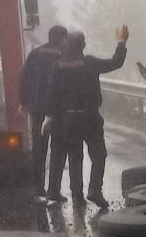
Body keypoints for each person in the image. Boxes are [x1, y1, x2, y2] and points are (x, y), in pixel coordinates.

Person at [41, 25, 129, 207]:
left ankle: (77, 195)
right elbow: (116, 62)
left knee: (75, 156)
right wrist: (121, 41)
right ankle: (95, 190)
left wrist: (49, 117)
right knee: (98, 155)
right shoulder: (90, 63)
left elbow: (52, 94)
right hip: (90, 118)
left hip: (68, 119)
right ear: (83, 45)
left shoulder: (57, 66)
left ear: (66, 46)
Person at [19, 24, 68, 198]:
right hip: (58, 111)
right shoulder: (64, 55)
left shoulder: (35, 54)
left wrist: (24, 102)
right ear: (63, 38)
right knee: (58, 148)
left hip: (37, 108)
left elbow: (23, 77)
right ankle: (54, 190)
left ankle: (38, 188)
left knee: (39, 149)